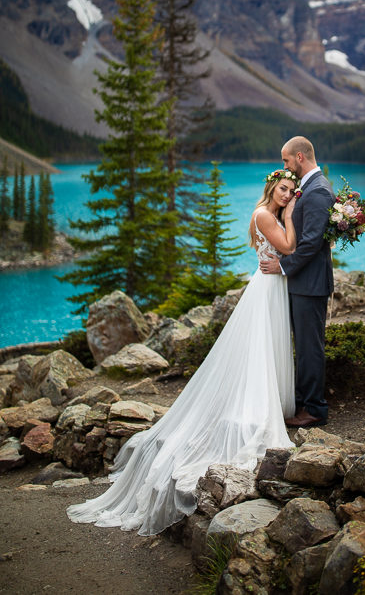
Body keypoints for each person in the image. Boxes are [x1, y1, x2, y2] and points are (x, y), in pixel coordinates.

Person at [67, 171, 298, 536]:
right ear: (272, 188)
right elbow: (287, 247)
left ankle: (267, 402)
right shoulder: (267, 215)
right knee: (259, 350)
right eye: (283, 189)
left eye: (291, 191)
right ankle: (257, 406)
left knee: (266, 349)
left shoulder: (266, 211)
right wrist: (288, 218)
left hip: (272, 284)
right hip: (267, 287)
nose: (287, 195)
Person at [260, 136, 334, 428]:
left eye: (286, 160)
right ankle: (304, 401)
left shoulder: (317, 191)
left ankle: (314, 409)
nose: (285, 165)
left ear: (300, 157)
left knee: (309, 348)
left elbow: (311, 243)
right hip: (305, 282)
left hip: (310, 284)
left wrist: (282, 266)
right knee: (303, 347)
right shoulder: (311, 187)